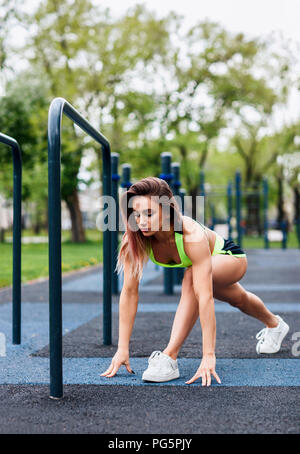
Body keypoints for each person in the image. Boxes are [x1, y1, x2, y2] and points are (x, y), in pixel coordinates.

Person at [101, 177, 289, 386]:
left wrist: (208, 355)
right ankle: (275, 324)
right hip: (203, 267)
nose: (142, 221)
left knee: (191, 278)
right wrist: (122, 348)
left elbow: (205, 297)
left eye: (149, 213)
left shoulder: (191, 235)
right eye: (136, 214)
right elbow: (129, 292)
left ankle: (169, 357)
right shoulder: (135, 239)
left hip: (231, 259)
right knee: (239, 299)